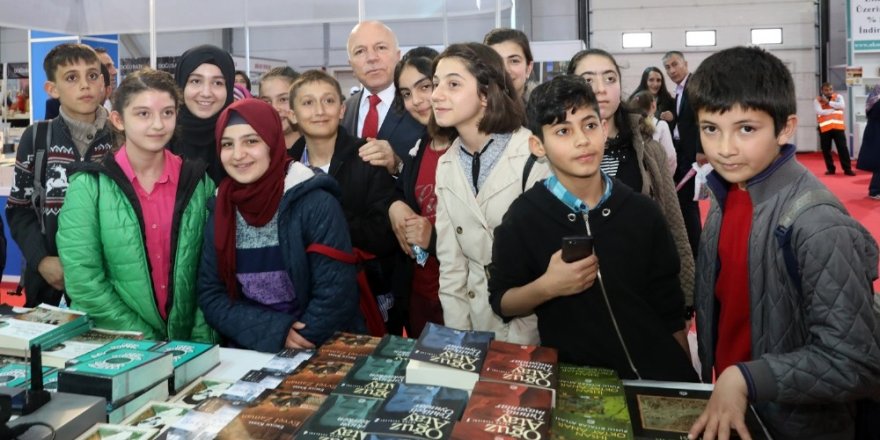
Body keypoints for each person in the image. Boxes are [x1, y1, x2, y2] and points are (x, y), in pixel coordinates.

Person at [685, 46, 880, 439]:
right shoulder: (726, 196)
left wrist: (747, 378)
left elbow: (855, 362)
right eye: (711, 129)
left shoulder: (817, 223)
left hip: (798, 424)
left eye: (746, 129)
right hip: (736, 409)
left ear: (786, 127)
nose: (724, 148)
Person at [488, 75, 697, 381]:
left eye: (589, 125)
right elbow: (502, 300)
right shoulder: (523, 218)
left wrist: (686, 381)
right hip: (582, 387)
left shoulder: (641, 211)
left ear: (603, 128)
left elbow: (669, 307)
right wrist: (547, 286)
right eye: (563, 131)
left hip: (657, 371)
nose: (582, 140)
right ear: (538, 145)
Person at [56, 68, 217, 342]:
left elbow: (210, 273)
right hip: (118, 347)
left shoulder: (199, 182)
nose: (158, 125)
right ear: (118, 120)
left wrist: (198, 342)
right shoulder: (89, 186)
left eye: (167, 112)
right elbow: (84, 281)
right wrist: (146, 339)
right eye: (143, 114)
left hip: (188, 346)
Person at [198, 98, 361, 352]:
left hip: (321, 347)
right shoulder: (222, 208)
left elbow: (335, 293)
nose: (238, 155)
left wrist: (301, 339)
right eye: (227, 144)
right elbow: (211, 294)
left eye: (251, 141)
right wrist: (275, 332)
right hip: (250, 350)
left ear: (272, 143)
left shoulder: (314, 202)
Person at [431, 43, 549, 345]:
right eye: (436, 84)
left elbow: (544, 261)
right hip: (474, 315)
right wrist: (459, 338)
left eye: (453, 84)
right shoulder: (446, 164)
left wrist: (525, 338)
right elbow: (451, 265)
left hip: (531, 319)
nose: (436, 95)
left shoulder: (531, 154)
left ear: (485, 94)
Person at [568, 49, 694, 306]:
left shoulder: (647, 148)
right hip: (577, 292)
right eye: (588, 80)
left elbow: (672, 221)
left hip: (642, 287)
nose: (600, 89)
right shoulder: (556, 153)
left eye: (610, 79)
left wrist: (685, 293)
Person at [288, 70, 398, 332]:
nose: (319, 110)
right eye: (307, 103)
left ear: (341, 109)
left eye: (328, 101)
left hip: (363, 291)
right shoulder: (285, 166)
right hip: (302, 295)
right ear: (292, 115)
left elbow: (382, 233)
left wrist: (325, 223)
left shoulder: (367, 157)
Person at [6, 43, 114, 307]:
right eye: (71, 78)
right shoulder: (36, 138)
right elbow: (18, 210)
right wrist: (42, 260)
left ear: (103, 82)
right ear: (52, 89)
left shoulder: (121, 137)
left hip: (113, 284)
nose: (85, 85)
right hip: (50, 285)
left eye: (92, 75)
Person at [387, 48, 449, 337]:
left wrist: (434, 239)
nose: (417, 101)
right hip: (421, 295)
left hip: (462, 298)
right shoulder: (419, 150)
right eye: (406, 93)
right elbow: (405, 197)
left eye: (424, 86)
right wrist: (395, 205)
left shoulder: (471, 148)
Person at [342, 20, 426, 174]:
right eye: (360, 51)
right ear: (351, 65)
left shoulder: (422, 106)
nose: (372, 58)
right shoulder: (342, 112)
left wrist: (398, 165)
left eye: (381, 48)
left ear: (398, 56)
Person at [171, 44, 235, 184]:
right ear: (181, 85)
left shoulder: (240, 138)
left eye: (217, 83)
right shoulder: (163, 136)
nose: (206, 93)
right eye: (196, 81)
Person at [662, 51, 702, 259]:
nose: (671, 70)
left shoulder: (694, 85)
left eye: (675, 64)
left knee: (688, 202)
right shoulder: (679, 90)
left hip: (691, 154)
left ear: (685, 63)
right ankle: (690, 247)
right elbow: (685, 120)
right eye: (667, 67)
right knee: (683, 201)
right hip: (680, 150)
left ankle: (697, 250)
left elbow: (701, 119)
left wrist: (700, 151)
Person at [629, 90, 676, 174]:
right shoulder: (660, 125)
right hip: (657, 175)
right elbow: (670, 157)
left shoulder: (628, 126)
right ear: (653, 105)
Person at [814, 82, 856, 176]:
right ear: (822, 91)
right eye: (826, 90)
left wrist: (828, 103)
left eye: (830, 89)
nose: (828, 92)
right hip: (824, 128)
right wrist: (833, 109)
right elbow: (819, 111)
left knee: (843, 148)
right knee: (826, 150)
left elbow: (842, 106)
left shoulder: (838, 97)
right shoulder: (818, 100)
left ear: (832, 90)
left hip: (838, 128)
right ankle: (830, 169)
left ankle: (847, 169)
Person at [483, 28, 535, 102]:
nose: (506, 70)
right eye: (496, 61)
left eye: (514, 61)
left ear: (528, 69)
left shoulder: (546, 111)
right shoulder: (470, 110)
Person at [257, 66, 301, 150]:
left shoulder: (318, 151)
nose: (274, 108)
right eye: (267, 102)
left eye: (283, 99)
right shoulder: (258, 154)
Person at [632, 66, 676, 131]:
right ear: (645, 81)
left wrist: (672, 117)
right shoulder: (636, 100)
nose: (655, 84)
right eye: (651, 80)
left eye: (658, 80)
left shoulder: (669, 101)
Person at [857, 85, 880, 199]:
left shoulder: (874, 98)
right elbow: (874, 114)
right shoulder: (876, 101)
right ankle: (875, 191)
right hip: (876, 134)